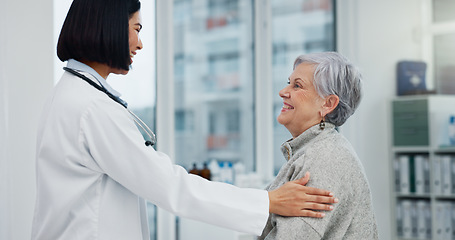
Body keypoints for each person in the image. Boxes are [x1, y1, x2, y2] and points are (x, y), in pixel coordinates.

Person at [31, 0, 339, 239]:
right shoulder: (91, 108)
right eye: (136, 29)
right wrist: (267, 202)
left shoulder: (70, 96)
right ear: (110, 27)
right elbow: (168, 186)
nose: (139, 44)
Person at [259, 52, 378, 239]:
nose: (283, 92)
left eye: (297, 85)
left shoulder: (324, 159)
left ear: (328, 103)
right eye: (289, 82)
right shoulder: (317, 149)